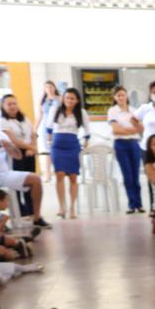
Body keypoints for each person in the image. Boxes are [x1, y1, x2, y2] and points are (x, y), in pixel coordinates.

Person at [45, 87, 90, 220]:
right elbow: (48, 128)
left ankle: (72, 208)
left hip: (73, 145)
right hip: (57, 145)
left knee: (73, 177)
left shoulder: (81, 112)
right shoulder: (55, 109)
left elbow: (87, 131)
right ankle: (61, 206)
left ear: (77, 100)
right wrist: (49, 143)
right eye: (67, 98)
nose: (69, 100)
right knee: (59, 174)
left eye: (72, 98)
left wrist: (85, 145)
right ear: (63, 98)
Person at [0, 109, 47, 228]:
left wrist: (11, 147)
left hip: (3, 174)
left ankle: (36, 218)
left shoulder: (1, 134)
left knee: (35, 179)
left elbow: (18, 156)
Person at [106, 87, 145, 214]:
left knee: (136, 175)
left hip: (134, 144)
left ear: (126, 96)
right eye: (118, 95)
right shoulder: (112, 111)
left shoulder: (134, 110)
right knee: (127, 175)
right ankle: (131, 204)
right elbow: (115, 130)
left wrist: (125, 130)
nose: (121, 97)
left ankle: (139, 204)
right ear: (114, 97)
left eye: (122, 95)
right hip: (120, 145)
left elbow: (141, 128)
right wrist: (131, 130)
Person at [0, 95, 39, 219]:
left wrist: (32, 148)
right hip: (16, 153)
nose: (12, 106)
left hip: (29, 152)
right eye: (9, 104)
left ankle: (32, 212)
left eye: (14, 103)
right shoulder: (2, 121)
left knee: (31, 182)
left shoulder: (24, 118)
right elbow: (13, 141)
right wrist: (31, 147)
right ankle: (21, 212)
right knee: (16, 186)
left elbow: (33, 133)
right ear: (3, 106)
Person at [36, 81, 60, 182]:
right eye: (46, 87)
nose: (49, 89)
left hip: (57, 127)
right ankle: (48, 174)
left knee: (57, 149)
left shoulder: (60, 99)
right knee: (47, 151)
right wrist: (35, 129)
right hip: (45, 127)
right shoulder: (42, 100)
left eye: (50, 86)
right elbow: (40, 115)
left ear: (54, 87)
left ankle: (59, 172)